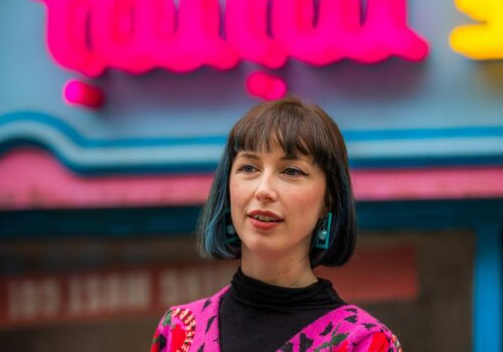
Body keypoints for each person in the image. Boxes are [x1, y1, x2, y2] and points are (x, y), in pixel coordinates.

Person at [151, 97, 401, 352]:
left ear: (328, 199)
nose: (264, 190)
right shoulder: (180, 331)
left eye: (291, 171)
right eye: (249, 167)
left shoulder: (364, 342)